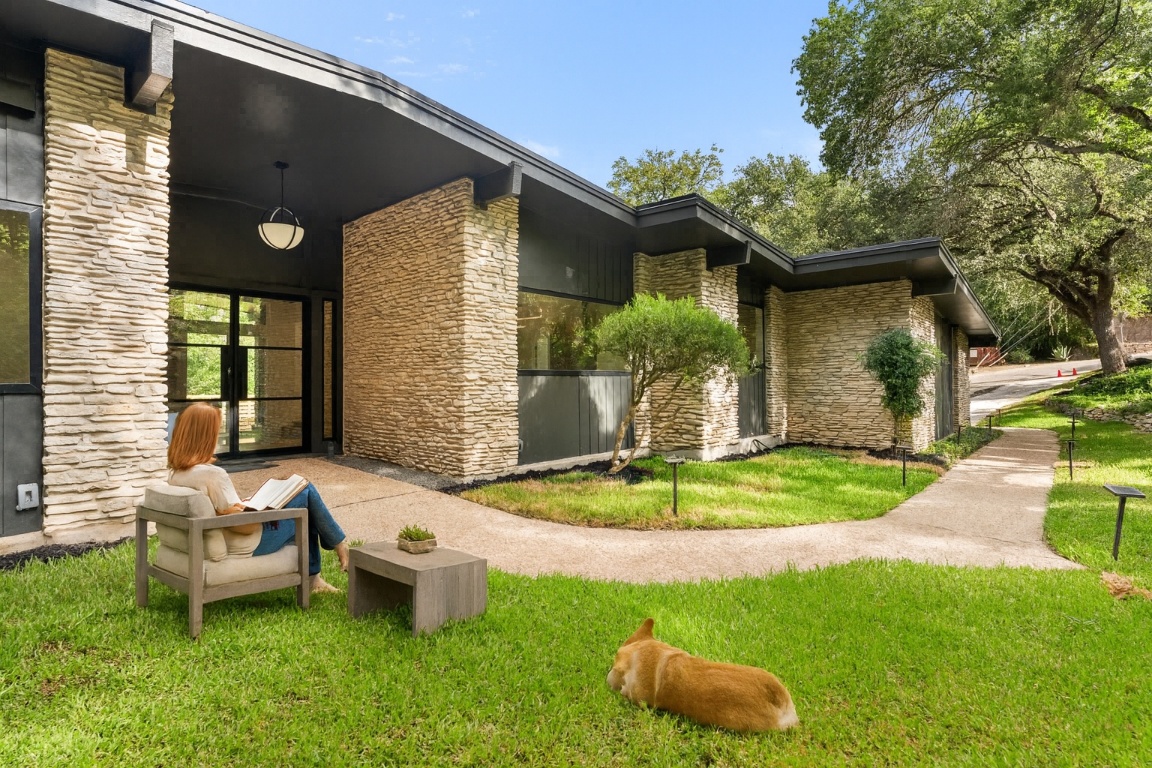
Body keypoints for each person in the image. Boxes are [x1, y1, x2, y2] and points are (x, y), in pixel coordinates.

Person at [166, 402, 350, 593]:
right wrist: (249, 509)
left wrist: (239, 506)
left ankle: (330, 555)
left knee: (302, 497)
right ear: (204, 437)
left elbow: (220, 509)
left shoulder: (176, 474)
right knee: (305, 493)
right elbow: (247, 526)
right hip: (250, 542)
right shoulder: (213, 475)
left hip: (223, 535)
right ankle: (336, 550)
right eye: (215, 432)